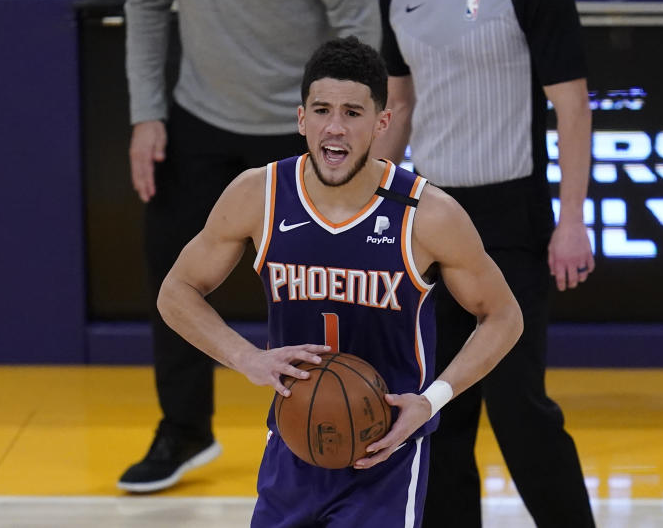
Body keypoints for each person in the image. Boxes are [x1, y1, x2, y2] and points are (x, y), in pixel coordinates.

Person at [156, 36, 523, 527]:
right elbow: (175, 292)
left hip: (386, 454)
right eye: (322, 109)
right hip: (292, 445)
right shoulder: (258, 196)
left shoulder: (426, 214)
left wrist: (433, 400)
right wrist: (245, 357)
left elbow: (503, 315)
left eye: (353, 112)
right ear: (301, 118)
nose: (335, 127)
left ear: (382, 122)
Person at [119, 0, 381, 492]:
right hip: (198, 117)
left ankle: (351, 429)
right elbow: (146, 1)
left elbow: (356, 19)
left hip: (304, 125)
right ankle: (184, 429)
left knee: (334, 283)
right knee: (174, 272)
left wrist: (350, 131)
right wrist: (145, 111)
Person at [373, 0, 596, 526]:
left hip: (512, 219)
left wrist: (571, 220)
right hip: (428, 220)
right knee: (439, 410)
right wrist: (361, 214)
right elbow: (399, 106)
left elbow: (572, 106)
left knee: (519, 407)